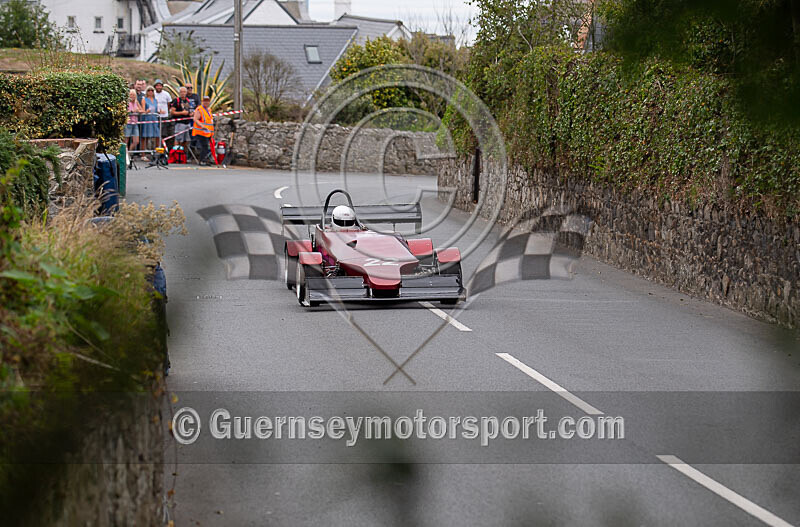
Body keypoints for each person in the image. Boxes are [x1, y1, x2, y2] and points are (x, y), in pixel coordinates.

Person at [191, 95, 214, 164]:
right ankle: (202, 160)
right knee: (204, 147)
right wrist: (202, 126)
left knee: (207, 147)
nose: (206, 102)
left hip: (207, 132)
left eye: (207, 101)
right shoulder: (199, 109)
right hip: (200, 131)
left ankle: (205, 159)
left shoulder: (209, 109)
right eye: (205, 101)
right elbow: (195, 119)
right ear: (202, 101)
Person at [169, 86, 192, 152]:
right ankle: (175, 154)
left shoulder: (187, 100)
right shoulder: (176, 101)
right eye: (181, 92)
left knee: (186, 140)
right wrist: (182, 113)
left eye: (184, 92)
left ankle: (182, 154)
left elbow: (188, 110)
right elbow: (172, 112)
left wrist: (190, 113)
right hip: (179, 123)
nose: (183, 93)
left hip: (187, 123)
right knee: (178, 140)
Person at [140, 86, 159, 158]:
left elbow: (156, 109)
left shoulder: (155, 100)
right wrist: (146, 111)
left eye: (152, 90)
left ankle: (157, 153)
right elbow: (143, 110)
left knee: (157, 136)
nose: (150, 92)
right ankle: (143, 154)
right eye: (149, 90)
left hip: (154, 119)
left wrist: (160, 112)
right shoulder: (144, 99)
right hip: (147, 119)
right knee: (145, 137)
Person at [125, 89, 144, 154]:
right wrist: (131, 111)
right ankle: (125, 155)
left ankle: (129, 152)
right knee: (126, 141)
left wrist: (137, 110)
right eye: (131, 95)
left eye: (133, 95)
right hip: (128, 123)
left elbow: (142, 110)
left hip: (135, 123)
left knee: (136, 141)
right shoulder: (127, 102)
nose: (132, 96)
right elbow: (124, 111)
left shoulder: (136, 102)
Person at [153, 79, 172, 145]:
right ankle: (157, 147)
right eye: (157, 86)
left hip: (164, 117)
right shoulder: (153, 94)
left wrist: (166, 111)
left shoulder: (166, 94)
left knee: (164, 134)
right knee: (156, 134)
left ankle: (164, 149)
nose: (159, 87)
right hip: (156, 117)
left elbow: (169, 104)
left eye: (160, 85)